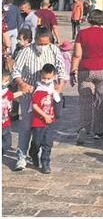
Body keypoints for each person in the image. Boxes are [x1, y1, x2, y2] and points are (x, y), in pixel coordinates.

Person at [10, 27, 66, 171]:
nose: (43, 47)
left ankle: (40, 153)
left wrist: (59, 88)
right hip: (30, 95)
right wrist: (22, 84)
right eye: (40, 44)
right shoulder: (26, 51)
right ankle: (21, 156)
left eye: (46, 44)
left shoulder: (54, 50)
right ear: (35, 41)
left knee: (44, 127)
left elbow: (61, 71)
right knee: (26, 126)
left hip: (47, 97)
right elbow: (15, 71)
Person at [71, 9, 103, 144]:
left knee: (85, 101)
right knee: (101, 100)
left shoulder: (82, 34)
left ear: (90, 19)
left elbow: (77, 54)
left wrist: (73, 70)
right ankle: (98, 131)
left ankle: (84, 128)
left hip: (85, 69)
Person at [28, 63, 61, 173]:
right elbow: (34, 105)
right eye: (44, 78)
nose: (46, 80)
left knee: (48, 143)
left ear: (53, 76)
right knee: (37, 142)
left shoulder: (53, 91)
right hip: (38, 122)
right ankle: (33, 151)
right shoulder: (39, 90)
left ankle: (45, 162)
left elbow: (57, 102)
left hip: (50, 122)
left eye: (48, 78)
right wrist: (45, 115)